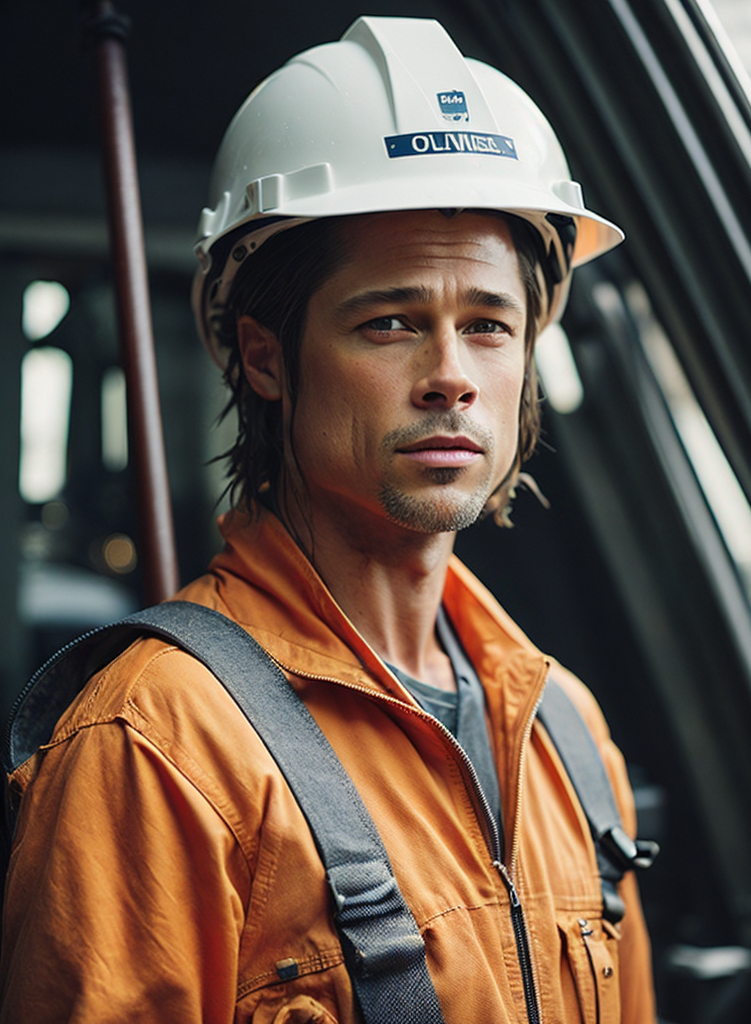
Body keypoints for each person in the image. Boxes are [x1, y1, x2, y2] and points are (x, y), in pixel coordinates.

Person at [0, 15, 655, 1024]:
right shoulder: (156, 749)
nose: (450, 378)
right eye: (389, 322)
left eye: (487, 324)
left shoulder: (567, 735)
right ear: (264, 357)